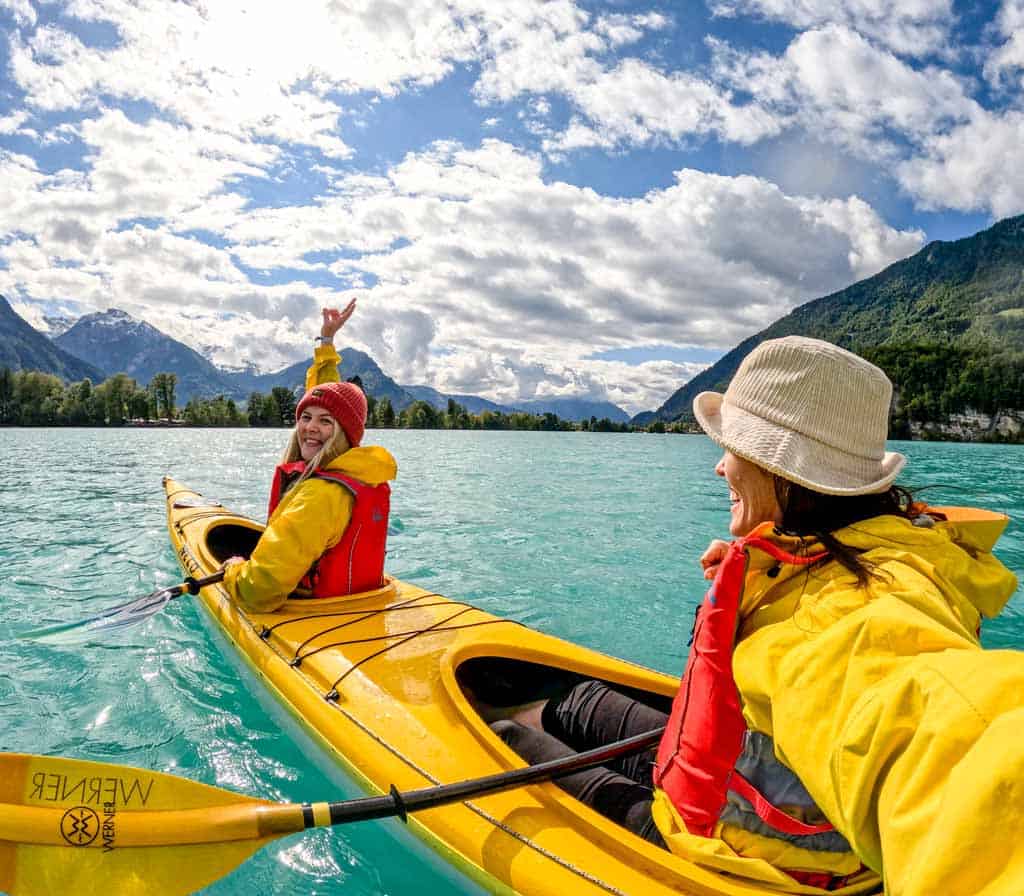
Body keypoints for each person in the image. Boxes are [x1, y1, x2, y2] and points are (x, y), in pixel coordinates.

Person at [493, 336, 1020, 895]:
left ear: (782, 469)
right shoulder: (878, 549)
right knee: (575, 702)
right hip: (732, 782)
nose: (720, 467)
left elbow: (950, 743)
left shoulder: (845, 620)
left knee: (505, 736)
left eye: (733, 448)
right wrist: (758, 582)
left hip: (733, 858)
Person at [222, 300, 398, 612]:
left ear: (344, 433)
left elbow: (257, 593)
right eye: (306, 418)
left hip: (313, 615)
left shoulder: (317, 497)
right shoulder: (358, 471)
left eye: (324, 422)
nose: (310, 428)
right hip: (358, 605)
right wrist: (327, 344)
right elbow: (327, 397)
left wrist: (233, 570)